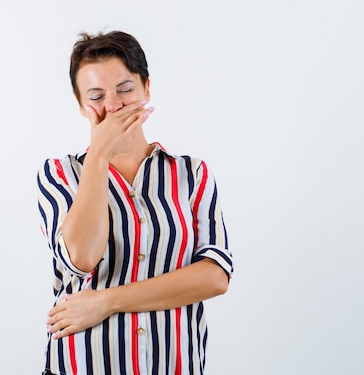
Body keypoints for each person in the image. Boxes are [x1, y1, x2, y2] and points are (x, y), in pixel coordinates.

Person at [37, 30, 233, 375]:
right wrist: (99, 156)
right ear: (81, 105)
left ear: (146, 88)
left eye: (125, 89)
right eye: (97, 96)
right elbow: (81, 259)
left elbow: (214, 277)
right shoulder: (60, 174)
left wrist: (107, 301)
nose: (113, 106)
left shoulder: (192, 174)